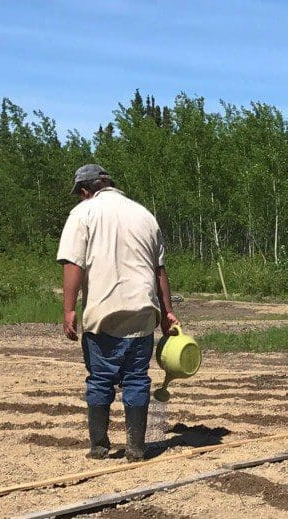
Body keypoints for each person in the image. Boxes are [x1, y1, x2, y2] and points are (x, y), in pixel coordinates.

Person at [56, 164, 180, 462]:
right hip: (142, 312)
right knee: (137, 378)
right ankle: (136, 447)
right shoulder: (144, 215)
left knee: (100, 379)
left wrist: (69, 309)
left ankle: (99, 445)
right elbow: (159, 270)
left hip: (103, 312)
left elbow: (74, 264)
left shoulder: (83, 214)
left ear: (85, 191)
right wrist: (168, 312)